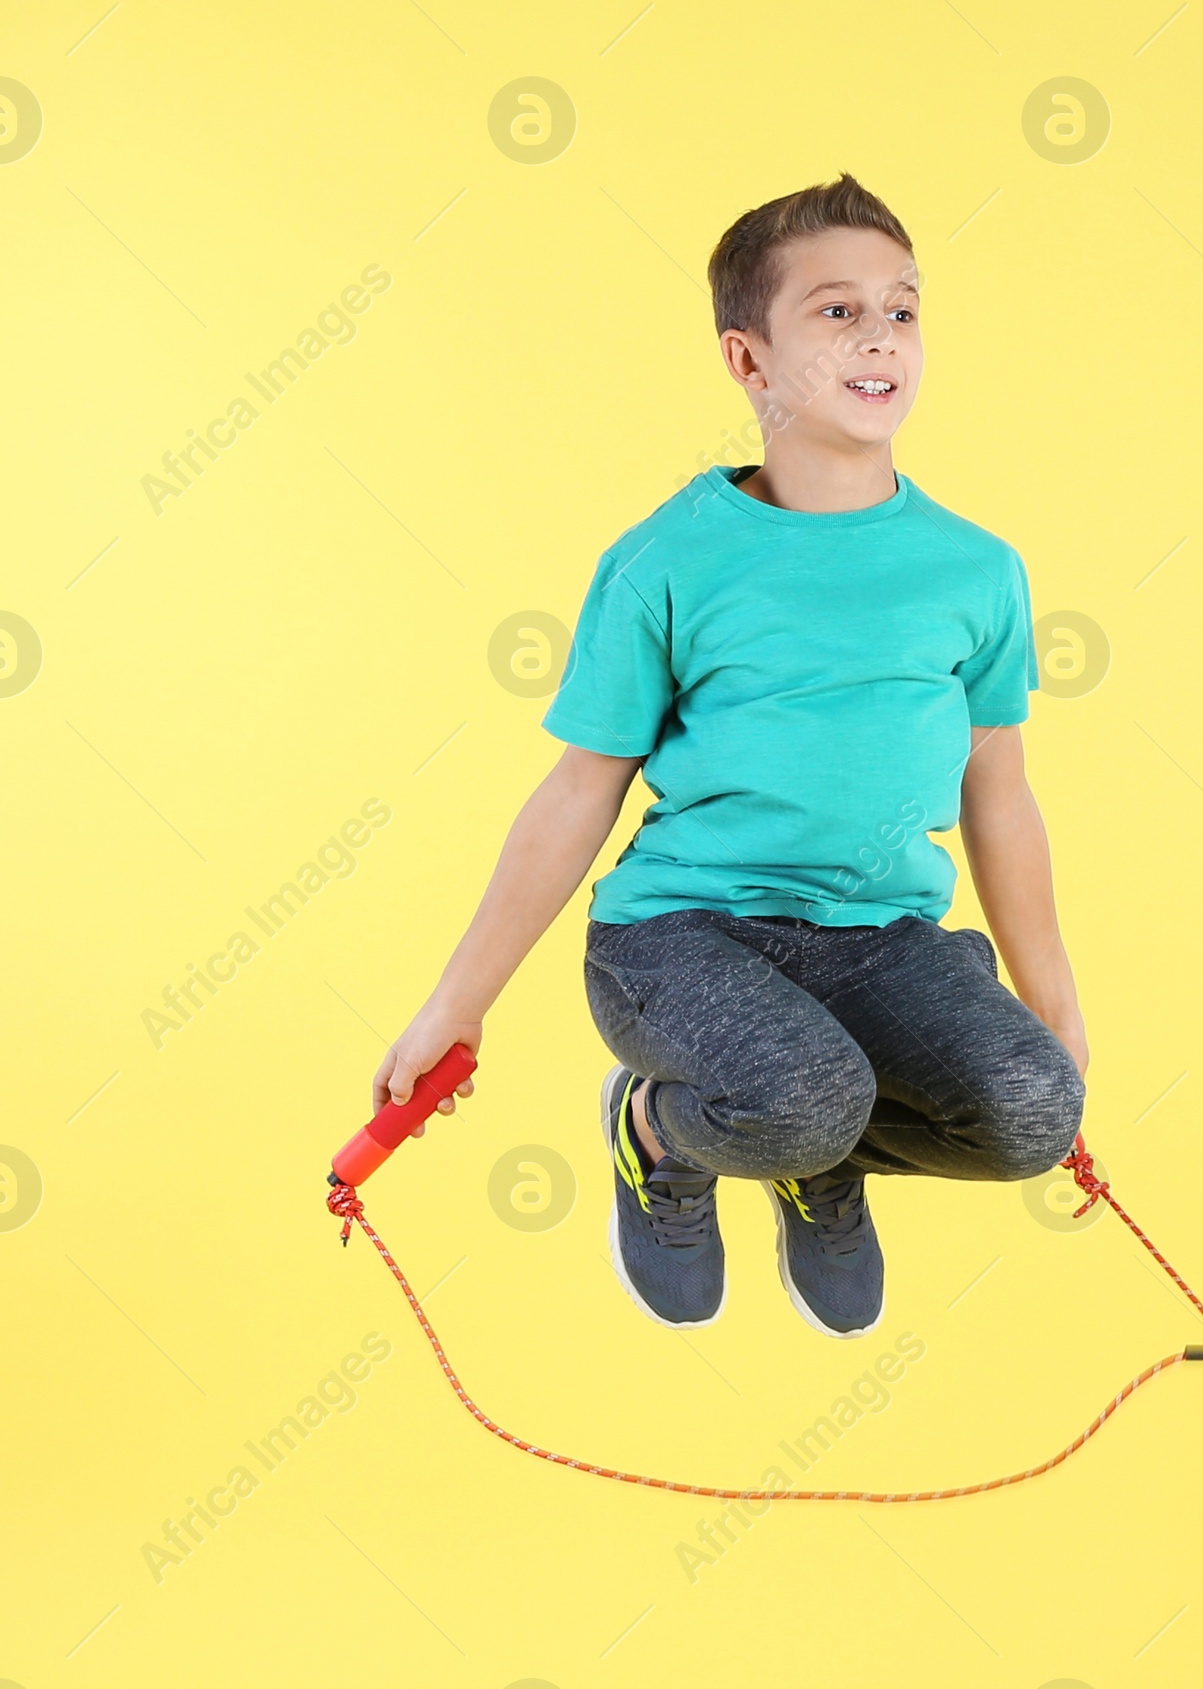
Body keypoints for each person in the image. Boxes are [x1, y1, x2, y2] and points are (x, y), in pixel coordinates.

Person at [373, 173, 1088, 1338]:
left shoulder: (975, 570)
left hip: (881, 944)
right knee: (805, 1090)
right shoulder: (668, 560)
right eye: (836, 311)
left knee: (1028, 1113)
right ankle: (657, 1131)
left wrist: (1054, 1010)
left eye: (902, 310)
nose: (880, 338)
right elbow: (575, 795)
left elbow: (998, 796)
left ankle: (816, 1157)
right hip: (684, 938)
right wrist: (454, 1007)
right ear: (748, 363)